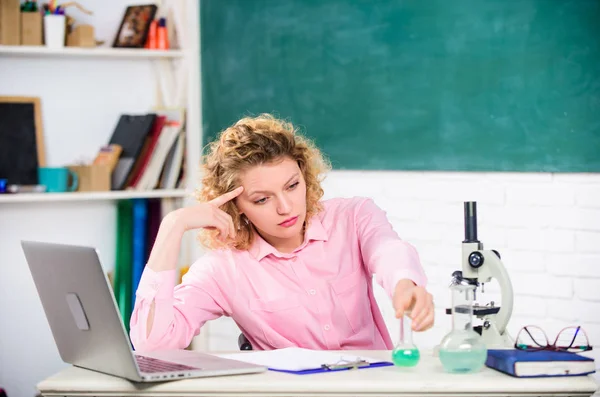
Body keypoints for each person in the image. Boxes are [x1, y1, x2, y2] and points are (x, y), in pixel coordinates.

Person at [130, 114, 434, 352]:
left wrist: (404, 283)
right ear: (235, 205)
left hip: (373, 388)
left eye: (292, 186)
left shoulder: (352, 217)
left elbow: (387, 250)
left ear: (305, 175)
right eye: (262, 199)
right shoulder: (224, 269)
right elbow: (153, 344)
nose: (286, 207)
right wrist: (172, 226)